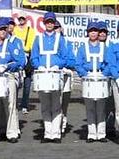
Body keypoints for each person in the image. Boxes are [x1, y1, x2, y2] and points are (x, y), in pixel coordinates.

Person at [30, 12, 74, 143]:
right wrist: (39, 66)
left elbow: (65, 57)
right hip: (42, 74)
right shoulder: (38, 38)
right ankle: (47, 133)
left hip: (55, 74)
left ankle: (56, 134)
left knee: (56, 105)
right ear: (44, 23)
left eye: (51, 22)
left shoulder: (60, 39)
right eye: (47, 22)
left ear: (54, 23)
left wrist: (57, 65)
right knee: (45, 105)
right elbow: (34, 57)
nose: (49, 24)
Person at [11, 13, 35, 115]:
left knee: (27, 82)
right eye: (20, 18)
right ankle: (14, 102)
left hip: (27, 55)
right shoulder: (14, 30)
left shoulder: (30, 30)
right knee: (15, 81)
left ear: (26, 20)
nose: (21, 20)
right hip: (16, 57)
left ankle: (25, 104)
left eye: (23, 18)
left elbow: (31, 45)